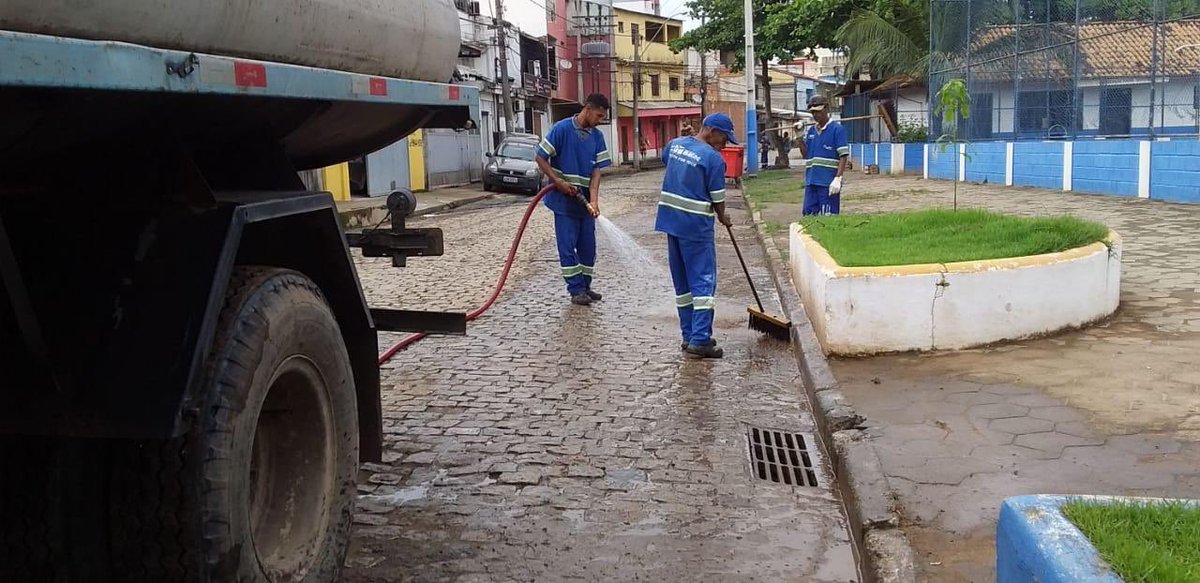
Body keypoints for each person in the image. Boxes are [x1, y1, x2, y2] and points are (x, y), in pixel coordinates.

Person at [655, 113, 737, 359]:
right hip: (695, 228)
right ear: (711, 130)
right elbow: (717, 198)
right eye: (724, 137)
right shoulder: (713, 159)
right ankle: (700, 339)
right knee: (703, 282)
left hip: (670, 223)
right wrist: (723, 216)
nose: (725, 143)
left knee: (682, 283)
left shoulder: (675, 144)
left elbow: (665, 158)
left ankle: (689, 335)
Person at [535, 93, 612, 306]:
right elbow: (540, 156)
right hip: (563, 202)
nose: (599, 120)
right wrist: (557, 181)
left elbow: (596, 171)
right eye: (598, 115)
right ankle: (576, 289)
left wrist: (594, 200)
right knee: (567, 247)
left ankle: (586, 286)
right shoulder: (562, 129)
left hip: (584, 202)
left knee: (588, 248)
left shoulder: (597, 136)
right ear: (587, 108)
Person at [798, 95, 849, 215]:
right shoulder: (811, 131)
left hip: (828, 182)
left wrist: (838, 178)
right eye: (813, 112)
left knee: (828, 216)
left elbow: (843, 156)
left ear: (826, 109)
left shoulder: (837, 130)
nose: (815, 115)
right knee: (809, 215)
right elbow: (806, 155)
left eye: (818, 111)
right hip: (811, 181)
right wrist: (799, 137)